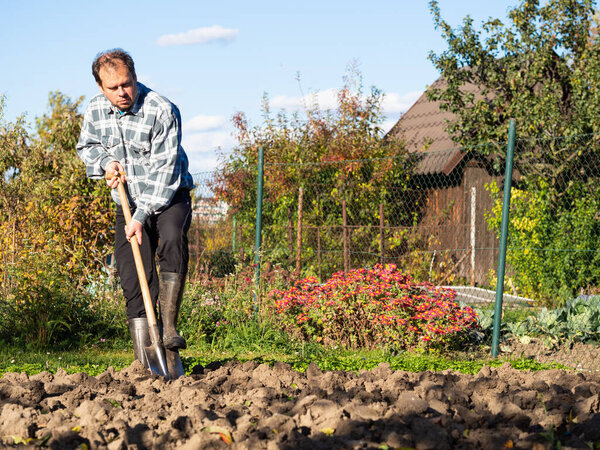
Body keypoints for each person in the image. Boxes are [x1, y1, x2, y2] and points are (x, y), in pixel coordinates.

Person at [76, 48, 194, 366]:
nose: (122, 92)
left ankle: (169, 328)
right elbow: (86, 147)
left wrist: (141, 217)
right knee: (131, 275)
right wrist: (106, 162)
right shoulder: (95, 110)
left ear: (135, 77)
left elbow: (166, 173)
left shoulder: (162, 110)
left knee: (171, 238)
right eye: (113, 88)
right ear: (101, 87)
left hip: (169, 198)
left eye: (126, 84)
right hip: (127, 203)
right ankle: (149, 362)